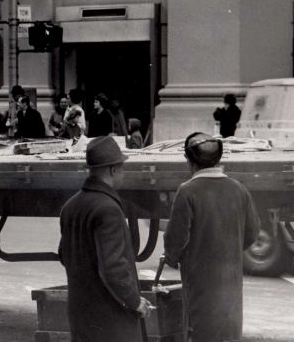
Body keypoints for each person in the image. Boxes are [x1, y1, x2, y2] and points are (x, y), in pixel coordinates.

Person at [163, 132, 260, 342]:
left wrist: (172, 258)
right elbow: (252, 233)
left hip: (201, 285)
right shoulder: (239, 189)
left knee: (201, 333)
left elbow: (175, 241)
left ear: (190, 161)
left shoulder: (187, 192)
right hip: (231, 284)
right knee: (229, 333)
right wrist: (228, 249)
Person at [58, 136, 151, 341]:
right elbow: (113, 269)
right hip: (110, 321)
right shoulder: (108, 209)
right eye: (122, 168)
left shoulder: (70, 206)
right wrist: (134, 302)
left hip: (81, 315)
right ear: (112, 170)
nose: (123, 173)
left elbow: (64, 255)